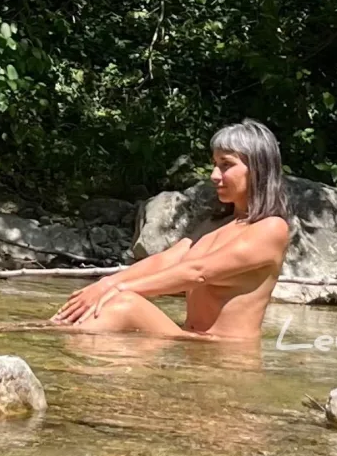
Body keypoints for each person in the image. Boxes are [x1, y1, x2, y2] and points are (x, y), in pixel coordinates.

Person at [51, 120, 291, 341]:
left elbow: (197, 272)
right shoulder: (215, 224)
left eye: (226, 165)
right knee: (99, 305)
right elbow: (165, 261)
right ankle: (54, 340)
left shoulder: (271, 228)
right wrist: (105, 283)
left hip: (225, 351)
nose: (214, 176)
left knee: (123, 302)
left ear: (258, 170)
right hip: (191, 343)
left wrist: (117, 289)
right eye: (215, 165)